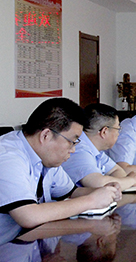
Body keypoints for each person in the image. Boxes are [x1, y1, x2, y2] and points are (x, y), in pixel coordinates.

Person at [0, 98, 120, 242]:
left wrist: (105, 191)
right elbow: (29, 216)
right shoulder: (7, 156)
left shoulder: (47, 157)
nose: (73, 150)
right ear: (46, 135)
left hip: (30, 242)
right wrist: (92, 200)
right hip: (6, 247)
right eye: (71, 142)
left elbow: (71, 193)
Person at [62, 103, 136, 190]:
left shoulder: (96, 149)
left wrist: (123, 181)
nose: (118, 134)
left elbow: (117, 171)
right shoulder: (79, 148)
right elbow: (98, 183)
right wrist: (132, 180)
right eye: (118, 129)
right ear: (104, 131)